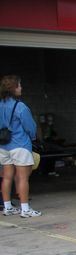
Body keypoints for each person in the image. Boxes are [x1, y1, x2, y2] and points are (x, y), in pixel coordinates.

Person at [0, 75, 40, 217]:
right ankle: (25, 209)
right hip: (20, 144)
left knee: (7, 177)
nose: (21, 88)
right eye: (19, 85)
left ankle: (7, 207)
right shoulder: (20, 106)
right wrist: (34, 137)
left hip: (4, 146)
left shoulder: (0, 104)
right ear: (13, 88)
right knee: (23, 178)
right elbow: (30, 127)